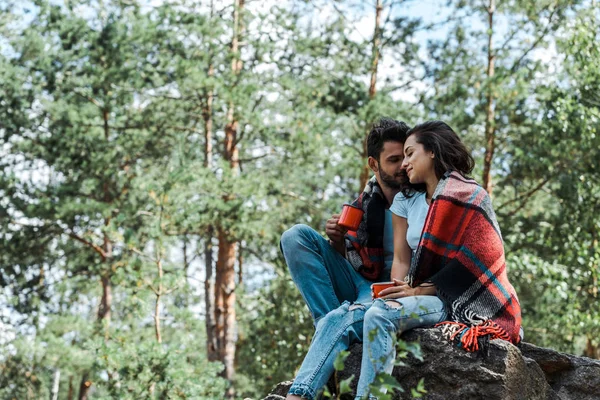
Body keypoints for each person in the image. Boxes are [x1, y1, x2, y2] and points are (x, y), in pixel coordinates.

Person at [285, 121, 522, 400]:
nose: (403, 165)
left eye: (409, 155)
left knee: (362, 315)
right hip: (383, 288)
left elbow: (480, 256)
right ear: (374, 164)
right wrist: (339, 242)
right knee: (301, 249)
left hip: (450, 298)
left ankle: (338, 347)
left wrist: (414, 290)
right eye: (396, 159)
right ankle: (315, 371)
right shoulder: (388, 202)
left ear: (431, 152)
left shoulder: (466, 196)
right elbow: (397, 258)